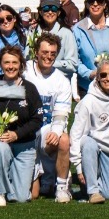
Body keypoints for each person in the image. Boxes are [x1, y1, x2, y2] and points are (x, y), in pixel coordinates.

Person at [0, 46, 43, 207]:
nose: (10, 66)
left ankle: (14, 177)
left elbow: (37, 119)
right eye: (6, 62)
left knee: (21, 197)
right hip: (0, 142)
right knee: (0, 149)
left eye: (14, 62)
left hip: (24, 146)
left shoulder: (29, 88)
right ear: (0, 64)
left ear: (21, 64)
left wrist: (17, 134)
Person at [26, 34, 75, 202]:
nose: (48, 56)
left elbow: (62, 112)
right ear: (36, 53)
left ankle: (61, 186)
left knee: (63, 139)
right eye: (45, 52)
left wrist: (56, 131)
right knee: (32, 195)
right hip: (26, 130)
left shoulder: (61, 80)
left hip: (46, 127)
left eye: (53, 53)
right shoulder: (24, 71)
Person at [69, 59, 109, 203]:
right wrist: (79, 167)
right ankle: (92, 191)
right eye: (103, 75)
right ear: (97, 77)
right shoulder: (88, 101)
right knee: (88, 142)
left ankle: (90, 180)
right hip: (91, 145)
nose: (108, 78)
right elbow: (75, 135)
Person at [72, 0, 109, 81]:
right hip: (89, 87)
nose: (95, 4)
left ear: (105, 4)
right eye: (91, 1)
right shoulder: (77, 29)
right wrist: (89, 74)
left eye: (99, 1)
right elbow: (75, 59)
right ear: (87, 5)